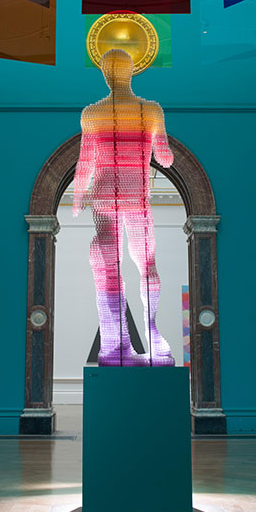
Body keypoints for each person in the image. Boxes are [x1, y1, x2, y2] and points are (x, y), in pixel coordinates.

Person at [73, 48, 175, 366]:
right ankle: (153, 338)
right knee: (146, 265)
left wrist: (77, 196)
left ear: (105, 75)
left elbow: (85, 162)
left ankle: (116, 345)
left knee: (108, 267)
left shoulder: (92, 113)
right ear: (131, 72)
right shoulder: (151, 110)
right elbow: (166, 158)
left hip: (104, 198)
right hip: (137, 199)